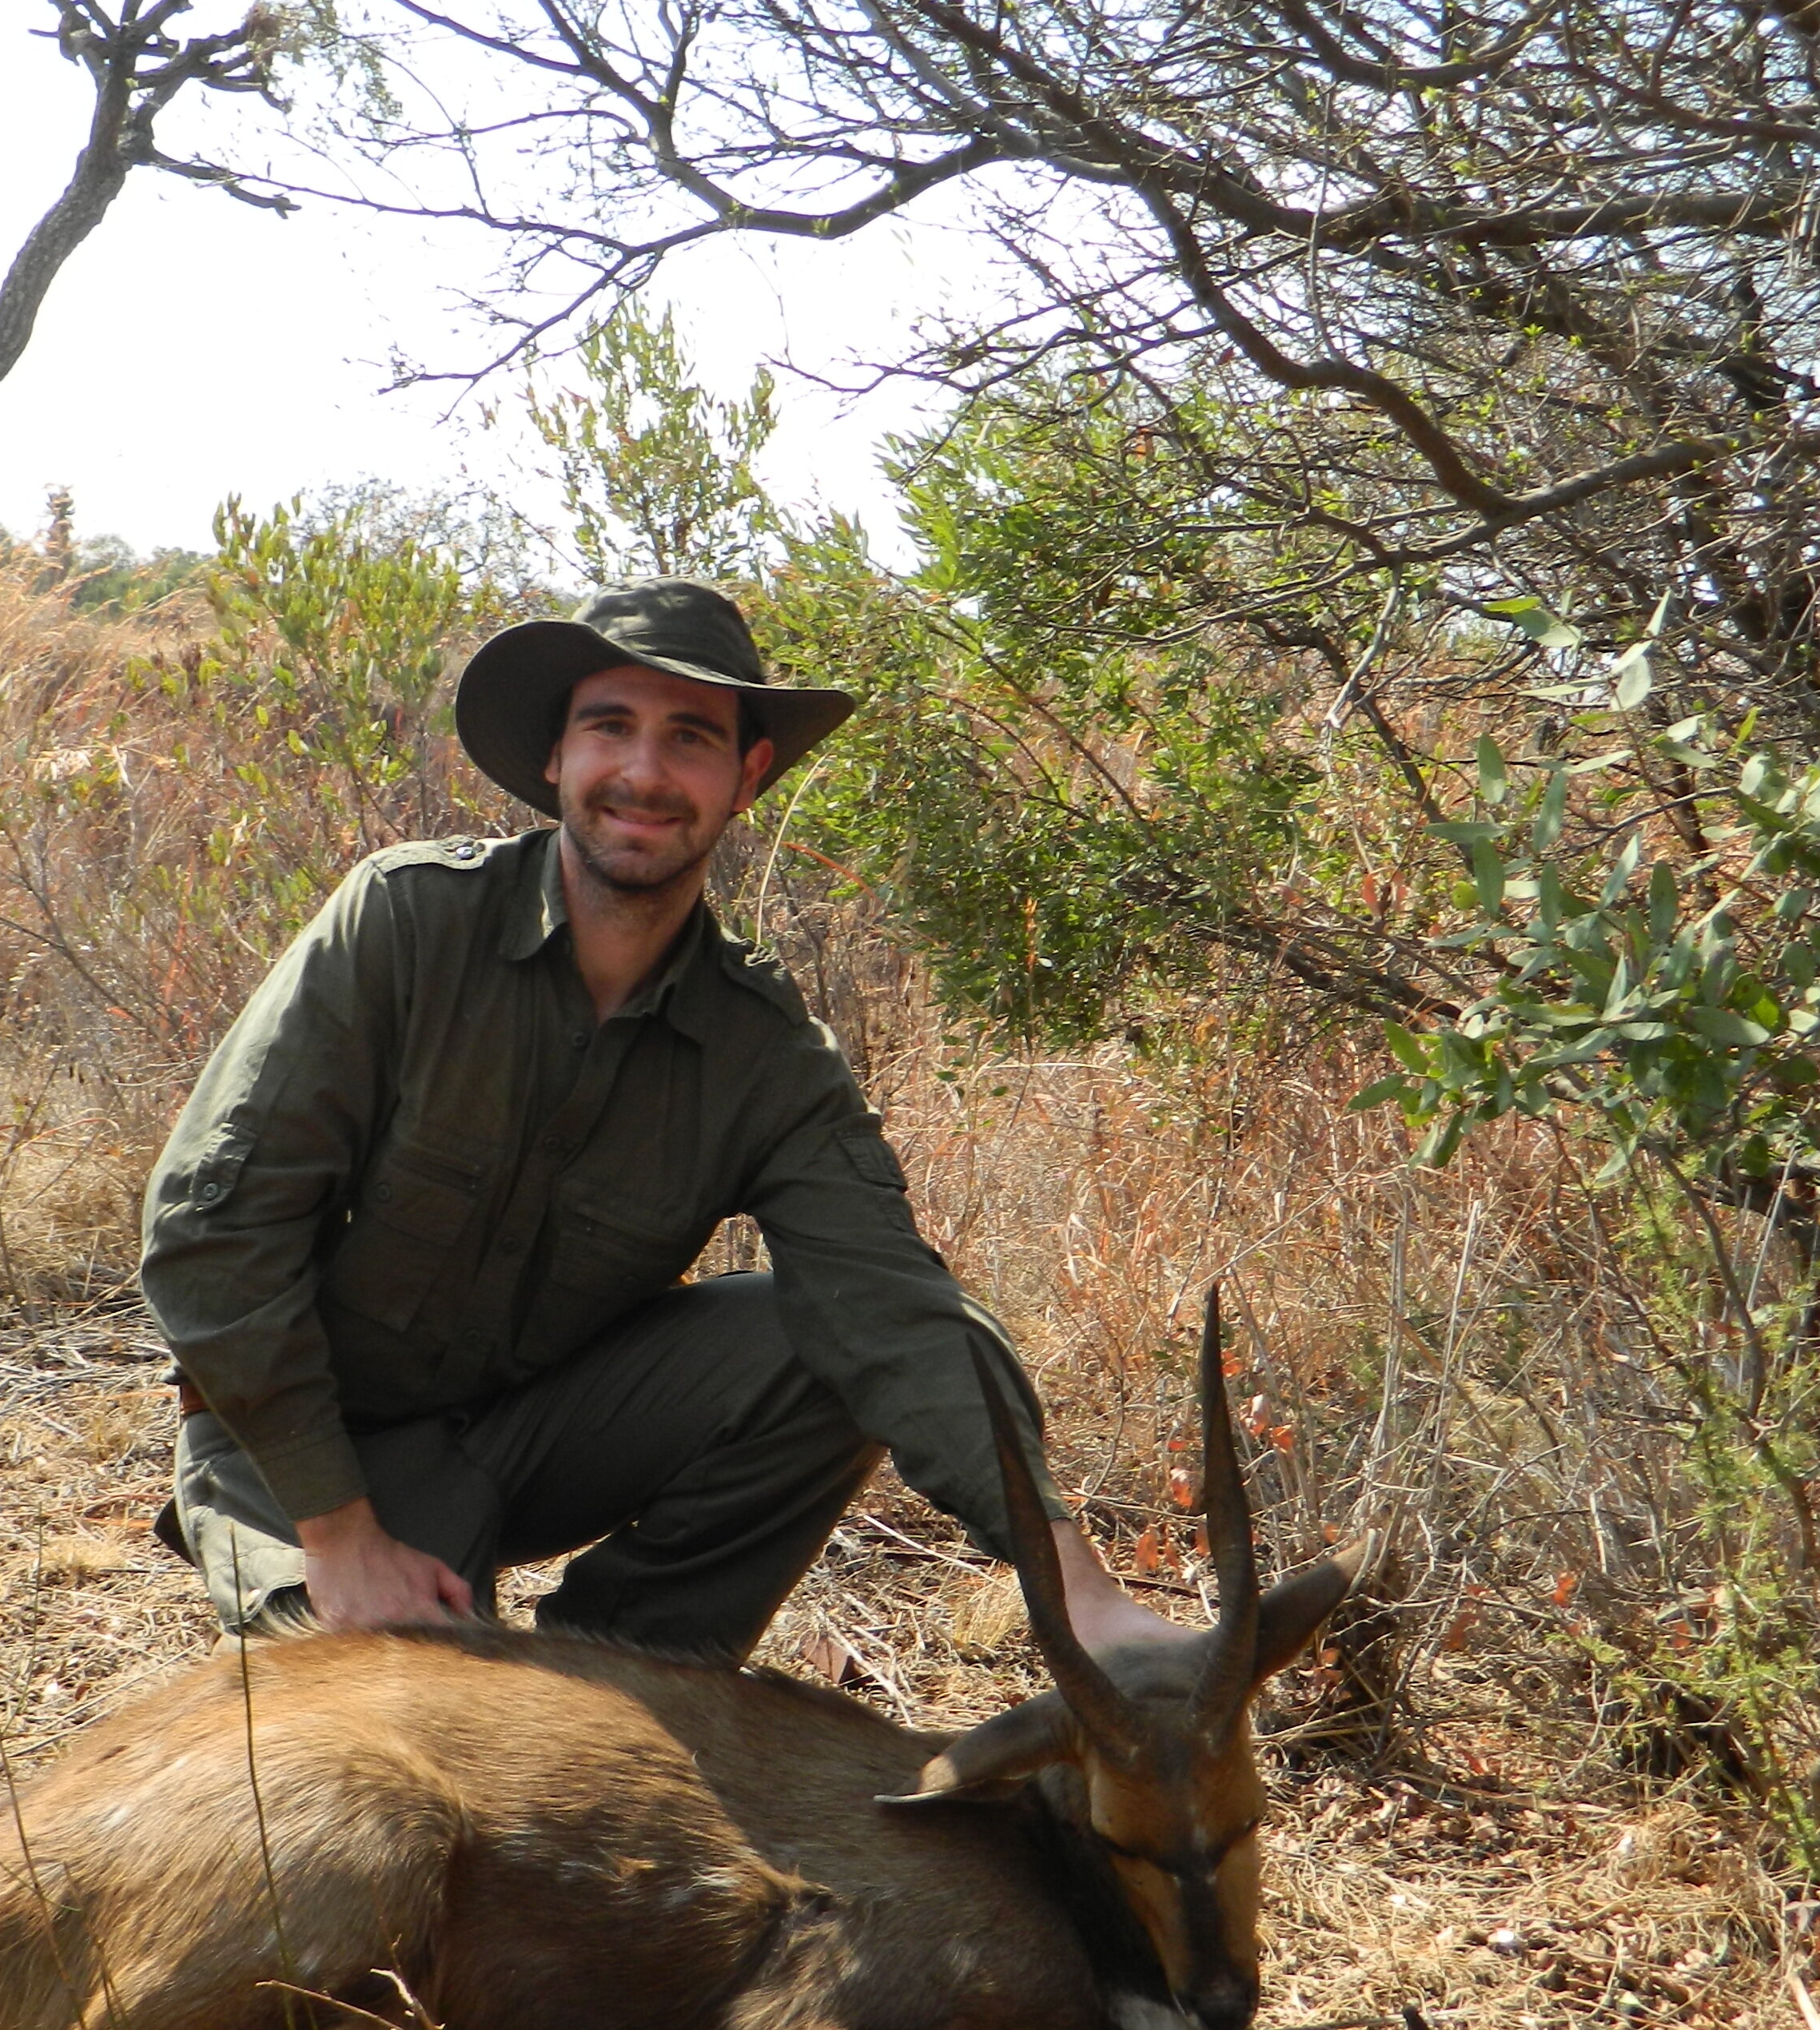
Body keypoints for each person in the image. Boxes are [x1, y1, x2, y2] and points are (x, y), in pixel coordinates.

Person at [139, 579, 1170, 1662]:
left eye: (690, 737)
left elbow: (895, 1311)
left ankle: (632, 1673)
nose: (644, 772)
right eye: (610, 728)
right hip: (297, 1461)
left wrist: (1082, 1593)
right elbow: (216, 1235)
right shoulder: (406, 922)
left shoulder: (764, 1052)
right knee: (392, 1744)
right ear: (556, 757)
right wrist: (340, 1535)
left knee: (825, 1342)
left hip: (535, 1441)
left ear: (748, 776)